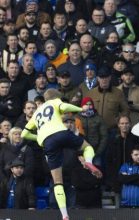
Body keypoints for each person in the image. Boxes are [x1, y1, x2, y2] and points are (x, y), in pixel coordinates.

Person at [21, 89, 102, 220]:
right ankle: (88, 162)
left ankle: (64, 214)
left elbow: (24, 134)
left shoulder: (36, 114)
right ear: (55, 97)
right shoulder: (54, 101)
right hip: (61, 133)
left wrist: (40, 137)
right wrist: (81, 109)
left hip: (48, 142)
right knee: (88, 147)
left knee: (57, 182)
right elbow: (64, 106)